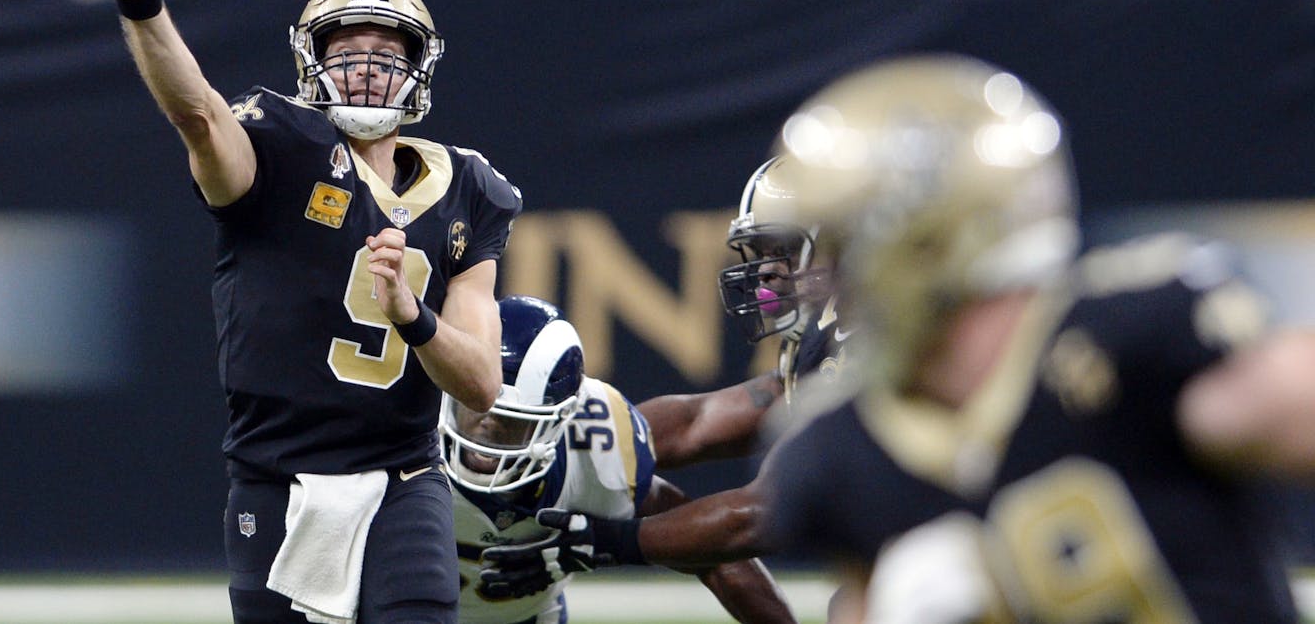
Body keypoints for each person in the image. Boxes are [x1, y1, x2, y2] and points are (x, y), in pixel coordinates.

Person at [762, 53, 1315, 623]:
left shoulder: (1123, 343)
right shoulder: (839, 451)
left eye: (837, 248)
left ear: (922, 241)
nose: (821, 278)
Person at [101, 0, 522, 624]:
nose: (365, 65)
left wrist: (413, 316)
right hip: (276, 475)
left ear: (418, 67)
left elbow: (481, 383)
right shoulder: (278, 143)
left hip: (403, 478)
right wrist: (143, 6)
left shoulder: (469, 189)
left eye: (387, 49)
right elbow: (199, 114)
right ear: (311, 60)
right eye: (347, 48)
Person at [476, 158, 842, 597]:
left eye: (781, 249)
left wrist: (606, 542)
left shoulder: (872, 342)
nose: (766, 272)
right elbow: (698, 424)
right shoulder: (829, 338)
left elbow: (762, 514)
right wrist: (561, 444)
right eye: (761, 253)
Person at [445, 295, 797, 624]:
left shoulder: (596, 452)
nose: (485, 428)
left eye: (511, 422)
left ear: (559, 421)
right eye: (473, 405)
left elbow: (710, 556)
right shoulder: (410, 428)